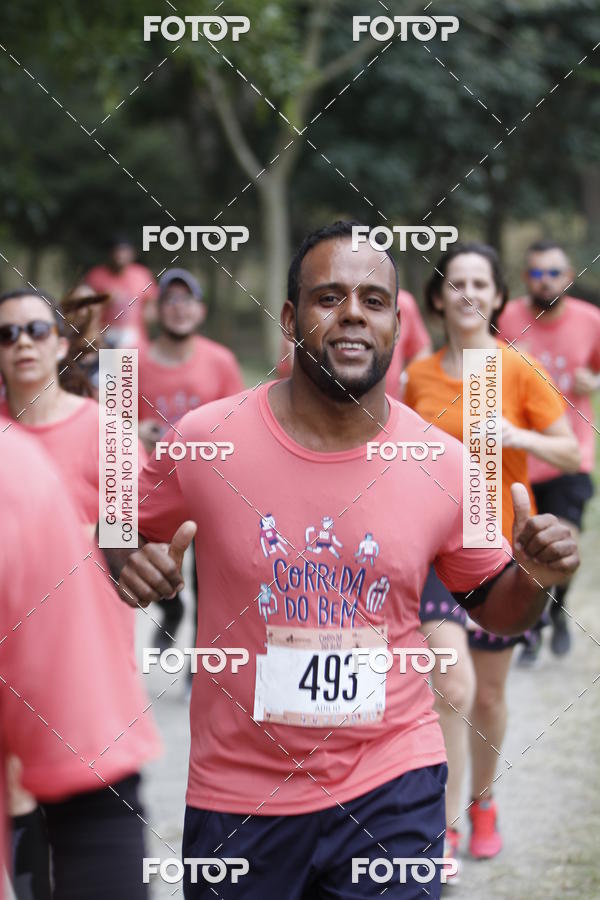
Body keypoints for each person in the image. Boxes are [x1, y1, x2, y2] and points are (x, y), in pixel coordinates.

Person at [105, 221, 578, 900]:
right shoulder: (206, 440)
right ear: (293, 318)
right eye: (329, 297)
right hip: (240, 800)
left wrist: (534, 575)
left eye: (373, 300)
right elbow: (116, 523)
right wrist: (125, 561)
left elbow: (496, 612)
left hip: (393, 783)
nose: (353, 312)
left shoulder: (447, 464)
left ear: (395, 324)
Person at [403, 243, 580, 877]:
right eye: (457, 282)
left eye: (481, 282)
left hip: (499, 554)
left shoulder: (519, 368)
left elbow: (571, 453)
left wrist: (519, 436)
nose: (469, 292)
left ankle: (484, 802)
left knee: (488, 699)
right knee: (451, 685)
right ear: (438, 297)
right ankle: (444, 826)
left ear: (499, 298)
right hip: (431, 553)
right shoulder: (416, 376)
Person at [0, 286, 148, 897]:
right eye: (6, 335)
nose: (22, 344)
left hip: (88, 666)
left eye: (36, 330)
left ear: (61, 343)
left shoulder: (107, 434)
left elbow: (131, 549)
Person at [499, 239, 600, 659]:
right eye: (537, 273)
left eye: (554, 272)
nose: (546, 281)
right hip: (518, 457)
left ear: (569, 275)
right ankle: (534, 625)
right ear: (527, 278)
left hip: (569, 452)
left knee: (563, 548)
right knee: (522, 551)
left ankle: (555, 613)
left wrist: (596, 383)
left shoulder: (591, 320)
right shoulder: (506, 318)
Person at [137, 268, 244, 649]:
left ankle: (199, 669)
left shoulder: (221, 361)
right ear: (158, 310)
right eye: (171, 301)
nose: (179, 309)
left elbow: (237, 424)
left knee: (210, 581)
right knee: (156, 572)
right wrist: (137, 432)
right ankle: (171, 612)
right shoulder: (128, 362)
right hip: (153, 487)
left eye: (188, 301)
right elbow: (109, 429)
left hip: (207, 487)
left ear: (200, 311)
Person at [276, 288, 431, 397]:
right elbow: (289, 368)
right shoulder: (310, 307)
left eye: (373, 302)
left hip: (386, 419)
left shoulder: (402, 303)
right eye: (330, 299)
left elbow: (421, 353)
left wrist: (404, 382)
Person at [85, 235, 158, 348]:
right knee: (110, 365)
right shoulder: (96, 276)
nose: (120, 255)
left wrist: (147, 314)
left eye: (124, 251)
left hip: (136, 340)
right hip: (106, 339)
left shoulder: (141, 275)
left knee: (131, 365)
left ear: (133, 254)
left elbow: (151, 303)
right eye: (117, 251)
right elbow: (86, 308)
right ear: (110, 253)